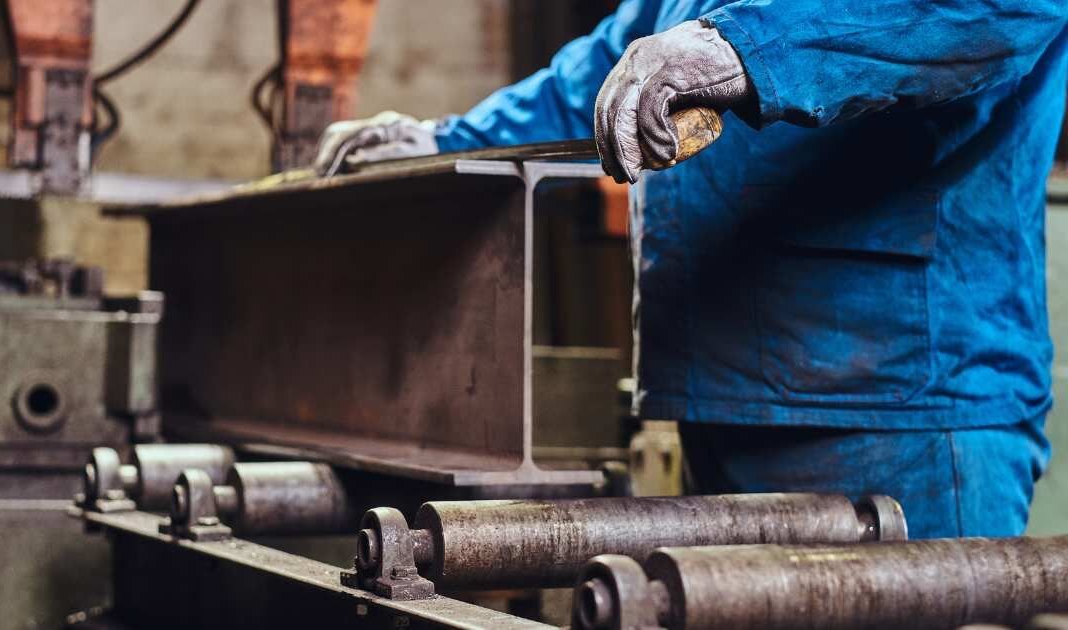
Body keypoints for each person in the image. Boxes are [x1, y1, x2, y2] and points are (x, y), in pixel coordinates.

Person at [314, 1, 1068, 539]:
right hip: (723, 398)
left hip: (899, 407)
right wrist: (449, 139)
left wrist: (745, 48)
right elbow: (610, 66)